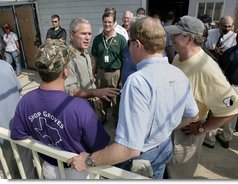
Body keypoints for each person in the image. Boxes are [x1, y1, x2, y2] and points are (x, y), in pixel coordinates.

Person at [67, 16, 199, 179]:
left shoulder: (138, 81)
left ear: (137, 44)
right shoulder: (177, 73)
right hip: (164, 147)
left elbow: (129, 149)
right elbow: (192, 114)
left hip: (141, 159)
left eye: (129, 43)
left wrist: (88, 161)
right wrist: (164, 128)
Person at [10, 39, 110, 179]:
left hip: (49, 169)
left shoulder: (26, 101)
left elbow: (17, 134)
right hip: (78, 172)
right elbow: (101, 147)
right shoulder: (80, 107)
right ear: (65, 72)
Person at [165, 15, 238, 179]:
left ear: (189, 39)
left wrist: (202, 128)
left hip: (186, 135)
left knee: (177, 176)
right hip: (170, 128)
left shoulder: (207, 69)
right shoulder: (178, 56)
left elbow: (232, 108)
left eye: (176, 34)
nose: (171, 38)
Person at [64, 18, 120, 123]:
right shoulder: (68, 57)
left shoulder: (85, 53)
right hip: (77, 109)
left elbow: (90, 79)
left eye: (89, 34)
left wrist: (96, 97)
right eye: (83, 34)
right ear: (72, 35)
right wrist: (96, 92)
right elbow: (70, 90)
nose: (87, 38)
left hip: (89, 104)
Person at [0, 60, 37, 179]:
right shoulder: (5, 66)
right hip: (19, 128)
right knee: (27, 168)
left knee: (8, 171)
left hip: (2, 136)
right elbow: (18, 89)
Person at [215, 24, 238, 148]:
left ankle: (211, 138)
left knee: (219, 111)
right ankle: (226, 137)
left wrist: (220, 56)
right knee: (234, 112)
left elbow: (220, 72)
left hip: (231, 88)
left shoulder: (232, 52)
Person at [92, 11, 127, 125]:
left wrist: (122, 79)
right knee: (102, 97)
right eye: (105, 22)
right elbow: (95, 59)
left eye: (109, 22)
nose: (107, 24)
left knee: (115, 100)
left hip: (115, 74)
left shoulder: (121, 40)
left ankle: (117, 121)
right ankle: (103, 116)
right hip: (101, 73)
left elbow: (124, 61)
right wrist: (93, 74)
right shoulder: (97, 39)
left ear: (114, 23)